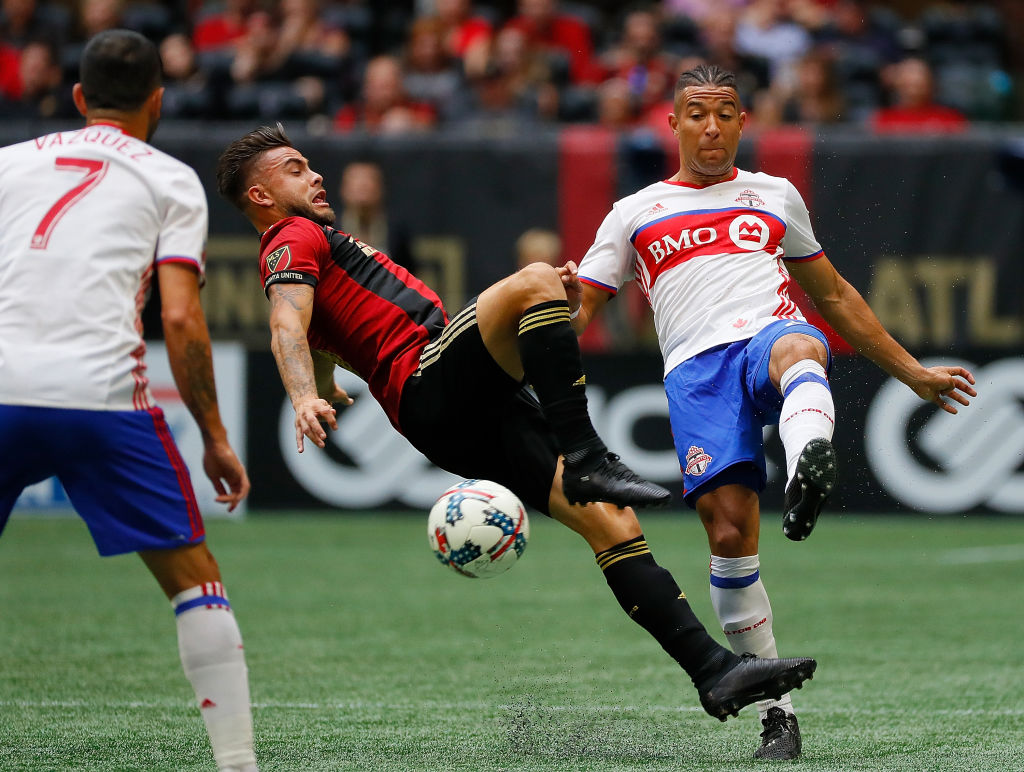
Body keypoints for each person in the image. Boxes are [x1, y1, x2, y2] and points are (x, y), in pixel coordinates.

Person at [215, 123, 819, 730]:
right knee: (534, 279)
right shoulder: (289, 237)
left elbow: (310, 328)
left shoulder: (307, 243)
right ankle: (587, 454)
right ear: (261, 196)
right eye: (294, 168)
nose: (315, 174)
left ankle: (714, 672)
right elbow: (284, 325)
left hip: (452, 415)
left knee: (611, 522)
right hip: (426, 376)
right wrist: (299, 394)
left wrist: (319, 388)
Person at [563, 63, 977, 760]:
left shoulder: (774, 196)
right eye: (697, 112)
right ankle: (776, 717)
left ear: (743, 122)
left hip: (765, 334)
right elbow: (583, 314)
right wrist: (542, 313)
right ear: (672, 123)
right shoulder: (633, 212)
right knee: (728, 538)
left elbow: (836, 296)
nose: (712, 125)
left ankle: (807, 462)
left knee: (797, 343)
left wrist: (911, 373)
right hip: (696, 376)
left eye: (726, 112)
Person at [0, 30, 257, 772]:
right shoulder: (171, 181)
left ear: (77, 98)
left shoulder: (9, 164)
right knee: (194, 581)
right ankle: (238, 764)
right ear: (158, 101)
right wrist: (212, 432)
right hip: (102, 401)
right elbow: (179, 317)